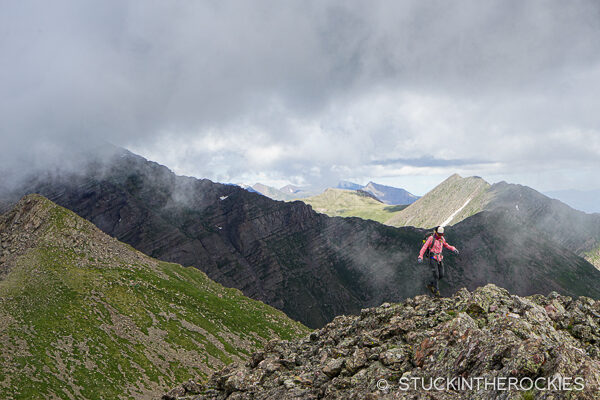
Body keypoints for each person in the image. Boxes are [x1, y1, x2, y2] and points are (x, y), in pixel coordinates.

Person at [418, 226, 459, 297]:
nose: (440, 236)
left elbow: (446, 245)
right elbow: (424, 247)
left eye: (441, 235)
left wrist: (453, 248)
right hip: (432, 257)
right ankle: (436, 292)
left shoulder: (442, 239)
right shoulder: (431, 238)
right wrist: (420, 256)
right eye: (439, 234)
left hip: (440, 258)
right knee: (436, 275)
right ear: (436, 233)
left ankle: (431, 284)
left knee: (441, 274)